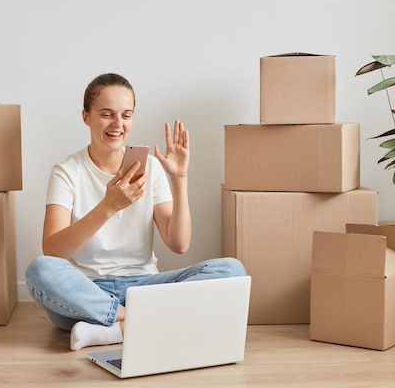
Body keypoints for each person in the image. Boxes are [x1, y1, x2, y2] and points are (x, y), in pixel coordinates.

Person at [25, 73, 246, 351]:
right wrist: (108, 206)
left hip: (144, 287)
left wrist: (179, 179)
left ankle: (112, 331)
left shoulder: (150, 168)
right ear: (86, 117)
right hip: (87, 292)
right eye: (106, 114)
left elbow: (179, 244)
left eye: (126, 115)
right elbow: (53, 250)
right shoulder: (67, 172)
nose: (118, 124)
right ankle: (138, 321)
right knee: (40, 270)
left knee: (231, 269)